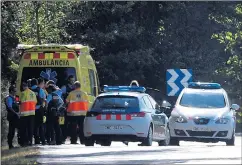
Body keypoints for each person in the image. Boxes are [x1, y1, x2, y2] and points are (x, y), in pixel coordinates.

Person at [31, 78, 46, 145]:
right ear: (37, 83)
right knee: (40, 126)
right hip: (39, 109)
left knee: (32, 126)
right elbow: (43, 98)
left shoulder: (29, 90)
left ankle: (35, 140)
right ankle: (42, 140)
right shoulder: (40, 90)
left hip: (30, 110)